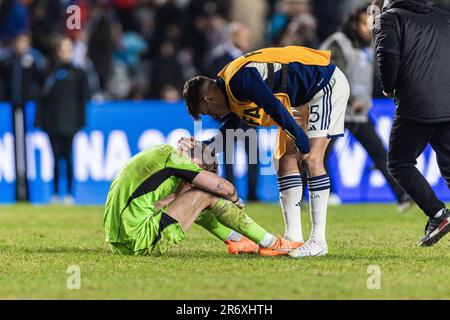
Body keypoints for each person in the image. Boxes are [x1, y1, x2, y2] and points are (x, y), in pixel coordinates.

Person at [182, 45, 350, 258]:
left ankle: (318, 241)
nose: (214, 117)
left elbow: (272, 106)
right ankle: (293, 238)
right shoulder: (229, 87)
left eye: (208, 112)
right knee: (283, 161)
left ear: (208, 99)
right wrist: (204, 148)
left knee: (312, 159)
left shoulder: (240, 78)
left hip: (324, 85)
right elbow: (231, 131)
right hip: (299, 99)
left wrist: (301, 140)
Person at [103, 142, 301, 256]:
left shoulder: (160, 155)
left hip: (119, 242)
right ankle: (271, 242)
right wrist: (235, 202)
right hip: (137, 240)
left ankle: (238, 240)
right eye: (199, 175)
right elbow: (227, 189)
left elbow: (157, 204)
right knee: (205, 195)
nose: (192, 182)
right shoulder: (179, 162)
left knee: (195, 202)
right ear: (197, 164)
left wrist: (178, 195)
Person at [372, 0, 450, 246]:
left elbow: (388, 54)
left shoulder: (389, 18)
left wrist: (387, 86)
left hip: (416, 104)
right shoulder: (442, 15)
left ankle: (438, 214)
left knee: (399, 162)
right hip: (447, 102)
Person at [320, 6, 413, 211]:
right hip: (333, 111)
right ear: (353, 23)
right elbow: (333, 75)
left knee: (379, 152)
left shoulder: (368, 46)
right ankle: (319, 194)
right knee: (320, 156)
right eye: (364, 23)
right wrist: (351, 99)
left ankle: (403, 196)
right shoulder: (338, 43)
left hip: (358, 114)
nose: (368, 28)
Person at [206, 22, 260, 201]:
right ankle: (231, 193)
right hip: (230, 115)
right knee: (229, 156)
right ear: (234, 37)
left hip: (248, 115)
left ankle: (253, 194)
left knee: (252, 154)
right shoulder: (219, 58)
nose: (248, 40)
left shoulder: (252, 58)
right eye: (244, 36)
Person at [35, 36, 90, 204]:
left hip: (70, 123)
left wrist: (80, 121)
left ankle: (69, 194)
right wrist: (41, 121)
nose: (66, 53)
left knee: (69, 158)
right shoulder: (50, 73)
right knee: (55, 159)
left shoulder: (79, 73)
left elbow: (84, 98)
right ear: (57, 52)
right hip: (53, 123)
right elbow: (42, 99)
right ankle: (55, 194)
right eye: (63, 50)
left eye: (68, 50)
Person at [0, 33, 45, 202]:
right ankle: (18, 192)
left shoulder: (33, 62)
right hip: (10, 107)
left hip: (27, 108)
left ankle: (26, 190)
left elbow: (42, 83)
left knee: (26, 150)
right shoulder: (7, 62)